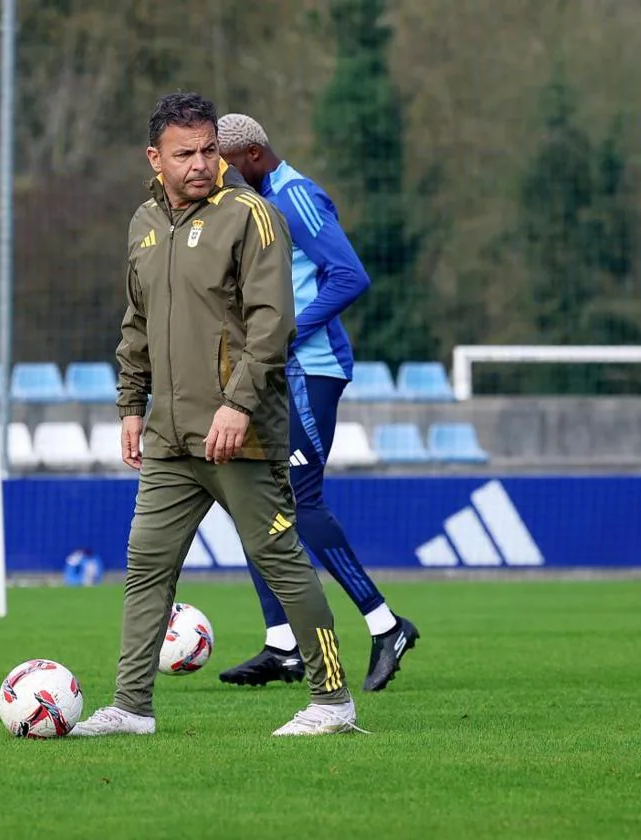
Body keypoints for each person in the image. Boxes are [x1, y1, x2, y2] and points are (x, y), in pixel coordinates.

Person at [72, 92, 357, 738]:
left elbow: (271, 324)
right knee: (146, 567)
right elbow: (135, 324)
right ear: (156, 158)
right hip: (170, 438)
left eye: (209, 151)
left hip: (242, 435)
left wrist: (238, 404)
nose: (202, 164)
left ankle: (334, 702)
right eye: (186, 153)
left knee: (281, 559)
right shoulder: (143, 223)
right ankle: (131, 707)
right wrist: (129, 406)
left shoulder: (252, 217)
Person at [215, 113, 420, 692]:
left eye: (226, 167)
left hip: (311, 370)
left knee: (301, 502)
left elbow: (349, 276)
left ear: (252, 155)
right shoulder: (254, 204)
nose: (219, 179)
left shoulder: (296, 197)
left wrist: (290, 331)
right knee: (255, 500)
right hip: (279, 371)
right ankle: (283, 647)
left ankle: (387, 625)